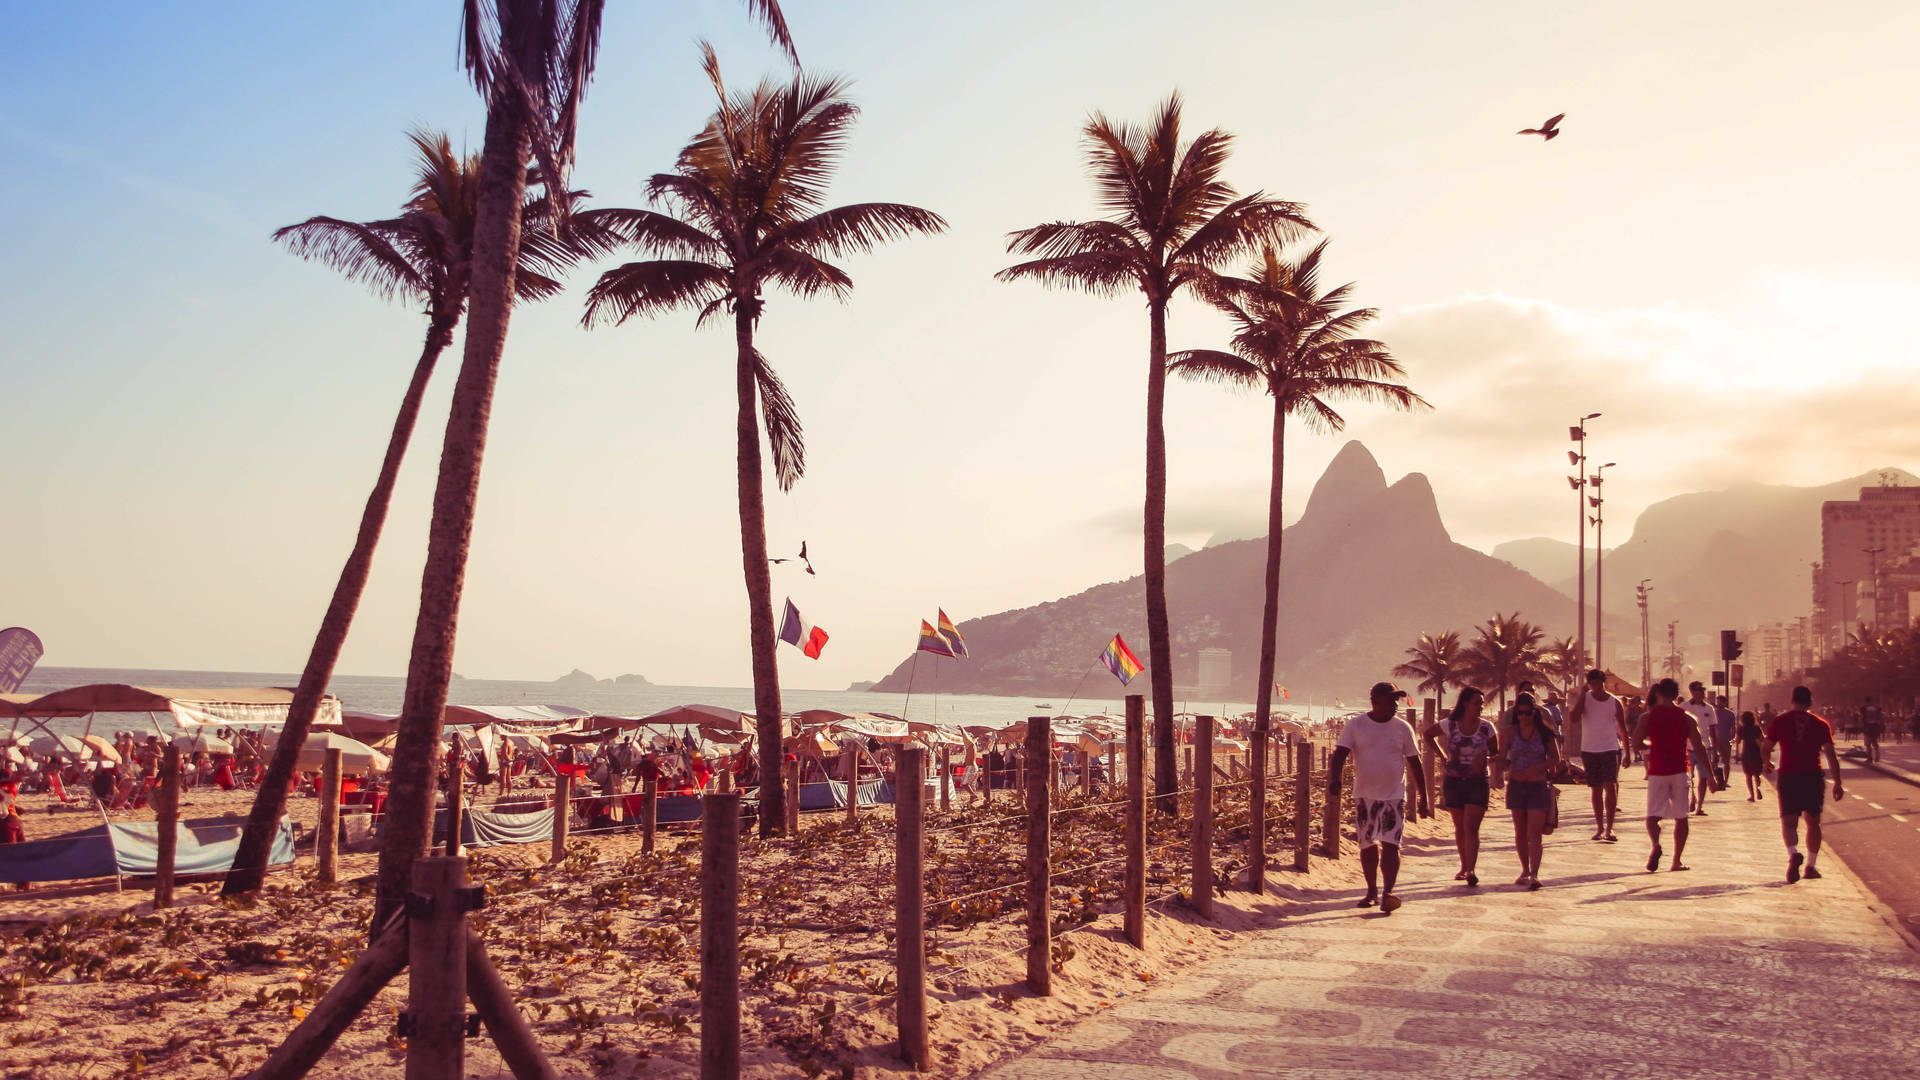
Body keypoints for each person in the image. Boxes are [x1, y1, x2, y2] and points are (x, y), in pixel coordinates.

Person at [1328, 682, 1430, 914]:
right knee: (1367, 845)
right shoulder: (1356, 725)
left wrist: (1424, 796)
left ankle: (1388, 892)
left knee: (1391, 844)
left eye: (1397, 700)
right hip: (1365, 795)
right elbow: (1339, 754)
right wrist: (1335, 780)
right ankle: (1372, 890)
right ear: (1375, 701)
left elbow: (1414, 761)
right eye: (1391, 700)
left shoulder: (1403, 728)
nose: (1395, 705)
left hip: (1394, 795)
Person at [1763, 685, 1844, 883]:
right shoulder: (1820, 724)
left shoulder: (1780, 721)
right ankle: (1810, 866)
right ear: (1810, 701)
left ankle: (1793, 853)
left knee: (1789, 822)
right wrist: (1837, 782)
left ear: (1792, 700)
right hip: (1812, 776)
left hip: (1789, 776)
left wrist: (1767, 762)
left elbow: (1766, 747)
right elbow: (1831, 755)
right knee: (1813, 822)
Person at [1633, 678, 1711, 873]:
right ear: (1677, 695)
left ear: (1658, 693)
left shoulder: (1647, 718)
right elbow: (1700, 748)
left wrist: (1652, 745)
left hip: (1658, 771)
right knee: (1681, 817)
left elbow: (1636, 743)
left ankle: (1656, 845)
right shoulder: (1687, 718)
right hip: (1679, 771)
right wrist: (1712, 776)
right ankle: (1676, 861)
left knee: (1652, 816)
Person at [1423, 686, 1494, 887]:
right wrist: (1442, 756)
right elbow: (1427, 735)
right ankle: (1464, 866)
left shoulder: (1487, 727)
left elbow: (1498, 753)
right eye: (1476, 704)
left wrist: (1485, 757)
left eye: (1482, 704)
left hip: (1478, 781)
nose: (1480, 707)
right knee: (1460, 827)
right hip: (1454, 780)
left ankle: (1471, 869)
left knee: (1471, 828)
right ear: (1465, 704)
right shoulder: (1450, 724)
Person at [1496, 692, 1561, 889]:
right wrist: (1499, 772)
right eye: (1521, 713)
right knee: (1520, 831)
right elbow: (1502, 756)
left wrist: (1538, 768)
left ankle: (1534, 873)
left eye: (1528, 713)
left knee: (1535, 832)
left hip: (1537, 784)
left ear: (1535, 712)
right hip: (1516, 784)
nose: (1524, 717)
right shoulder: (1509, 732)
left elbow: (1555, 758)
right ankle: (1524, 869)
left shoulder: (1544, 732)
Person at [1566, 668, 1629, 842]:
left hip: (1610, 748)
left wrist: (1628, 752)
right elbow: (1573, 718)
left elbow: (1623, 728)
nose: (1595, 686)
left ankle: (1610, 828)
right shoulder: (1585, 699)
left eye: (1598, 683)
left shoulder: (1614, 702)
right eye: (1592, 683)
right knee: (1595, 788)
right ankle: (1599, 827)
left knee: (1610, 785)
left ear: (1603, 683)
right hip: (1589, 749)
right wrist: (1582, 696)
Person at [1680, 682, 1719, 814]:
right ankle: (1692, 798)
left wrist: (1715, 749)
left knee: (1703, 777)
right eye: (1699, 691)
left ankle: (1699, 806)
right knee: (1687, 777)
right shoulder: (1683, 707)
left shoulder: (1709, 709)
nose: (1702, 693)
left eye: (1703, 691)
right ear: (1692, 692)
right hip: (1687, 747)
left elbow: (1713, 729)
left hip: (1705, 747)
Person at [1736, 712, 1766, 802]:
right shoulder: (1757, 728)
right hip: (1757, 754)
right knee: (1757, 774)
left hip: (1746, 754)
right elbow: (1762, 739)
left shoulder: (1741, 729)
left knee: (1748, 776)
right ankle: (1758, 788)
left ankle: (1752, 795)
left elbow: (1737, 741)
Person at [1860, 695, 1885, 763]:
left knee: (1868, 744)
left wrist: (1861, 726)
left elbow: (1862, 718)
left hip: (1867, 726)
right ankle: (1877, 757)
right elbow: (1881, 717)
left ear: (1865, 701)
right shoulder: (1877, 708)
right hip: (1875, 726)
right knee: (1874, 742)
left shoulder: (1863, 708)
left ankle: (1869, 758)